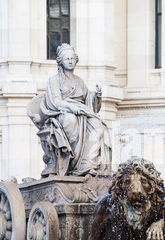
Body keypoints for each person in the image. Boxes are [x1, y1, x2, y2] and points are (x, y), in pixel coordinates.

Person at [39, 43, 111, 176]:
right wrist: (71, 107)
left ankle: (86, 163)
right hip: (62, 113)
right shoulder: (54, 80)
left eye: (72, 58)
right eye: (67, 59)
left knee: (98, 125)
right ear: (61, 62)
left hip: (82, 112)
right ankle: (71, 162)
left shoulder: (80, 81)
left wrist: (97, 96)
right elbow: (55, 101)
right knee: (70, 120)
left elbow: (91, 105)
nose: (70, 61)